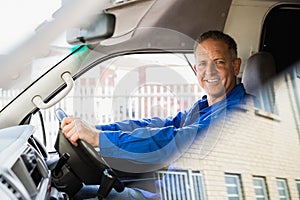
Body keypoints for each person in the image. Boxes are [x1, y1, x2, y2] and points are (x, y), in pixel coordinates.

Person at [61, 30, 246, 199]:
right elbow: (157, 125)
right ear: (196, 70)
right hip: (165, 191)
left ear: (235, 66)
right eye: (203, 64)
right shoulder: (206, 106)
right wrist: (96, 129)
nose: (209, 71)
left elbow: (173, 141)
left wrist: (98, 138)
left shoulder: (239, 112)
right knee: (77, 193)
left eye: (219, 62)